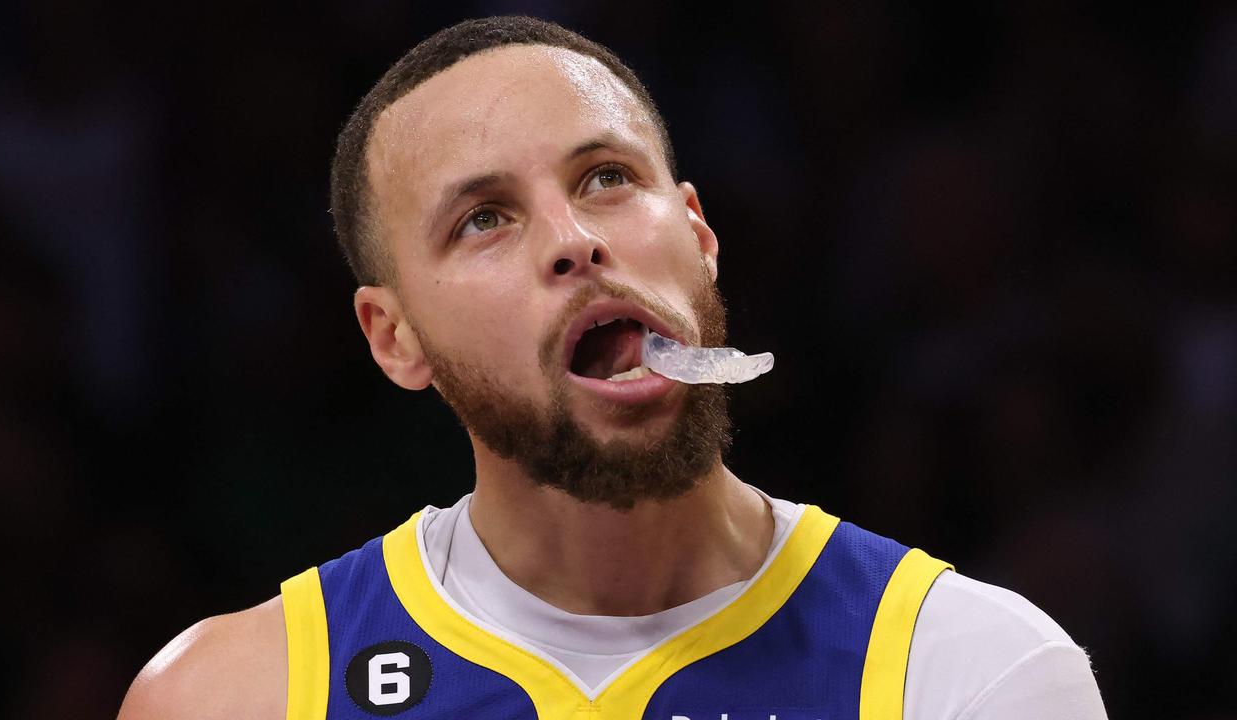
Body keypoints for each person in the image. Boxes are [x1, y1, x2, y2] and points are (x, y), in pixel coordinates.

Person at [118, 16, 1107, 720]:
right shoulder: (230, 697)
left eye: (605, 178)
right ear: (393, 338)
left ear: (697, 235)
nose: (572, 240)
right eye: (484, 219)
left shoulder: (973, 674)